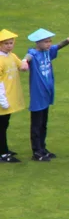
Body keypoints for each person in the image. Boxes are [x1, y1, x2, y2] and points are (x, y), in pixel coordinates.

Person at [24, 28, 69, 162]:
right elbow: (27, 57)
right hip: (37, 95)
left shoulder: (48, 52)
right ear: (38, 43)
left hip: (46, 94)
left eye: (49, 41)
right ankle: (36, 151)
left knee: (43, 124)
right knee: (36, 125)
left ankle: (42, 148)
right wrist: (24, 62)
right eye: (46, 42)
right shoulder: (34, 54)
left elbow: (60, 45)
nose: (49, 44)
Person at [0, 29, 29, 163]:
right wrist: (2, 100)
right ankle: (3, 153)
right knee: (1, 126)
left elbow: (22, 66)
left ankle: (3, 149)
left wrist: (26, 60)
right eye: (6, 43)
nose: (10, 46)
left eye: (11, 43)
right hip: (3, 99)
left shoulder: (11, 56)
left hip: (9, 97)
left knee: (5, 125)